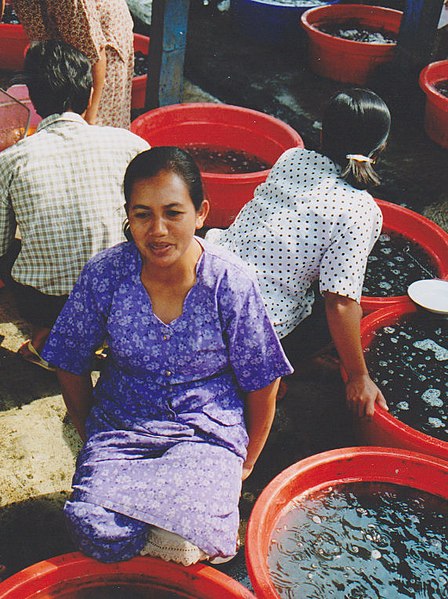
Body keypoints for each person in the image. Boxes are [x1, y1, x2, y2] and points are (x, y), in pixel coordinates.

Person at [41, 147, 293, 564]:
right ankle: (155, 527)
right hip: (122, 424)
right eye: (143, 214)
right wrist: (91, 436)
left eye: (173, 213)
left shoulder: (230, 282)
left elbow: (264, 377)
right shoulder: (106, 273)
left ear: (200, 213)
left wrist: (246, 461)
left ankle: (176, 524)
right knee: (95, 529)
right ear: (128, 215)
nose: (157, 230)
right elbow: (69, 357)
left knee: (201, 535)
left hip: (206, 429)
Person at [206, 88, 391, 418]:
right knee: (343, 306)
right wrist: (360, 376)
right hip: (251, 325)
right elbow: (340, 303)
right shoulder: (362, 210)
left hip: (206, 279)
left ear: (321, 133)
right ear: (380, 149)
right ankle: (272, 375)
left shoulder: (291, 159)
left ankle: (279, 366)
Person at [0, 41, 149, 369]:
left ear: (35, 98)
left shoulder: (12, 160)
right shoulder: (132, 144)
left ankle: (51, 336)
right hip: (126, 297)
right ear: (89, 92)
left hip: (48, 304)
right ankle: (106, 335)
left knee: (10, 251)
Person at [13, 0, 134, 128]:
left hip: (99, 43)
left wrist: (90, 118)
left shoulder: (69, 3)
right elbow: (41, 41)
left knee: (99, 123)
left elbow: (95, 56)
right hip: (60, 25)